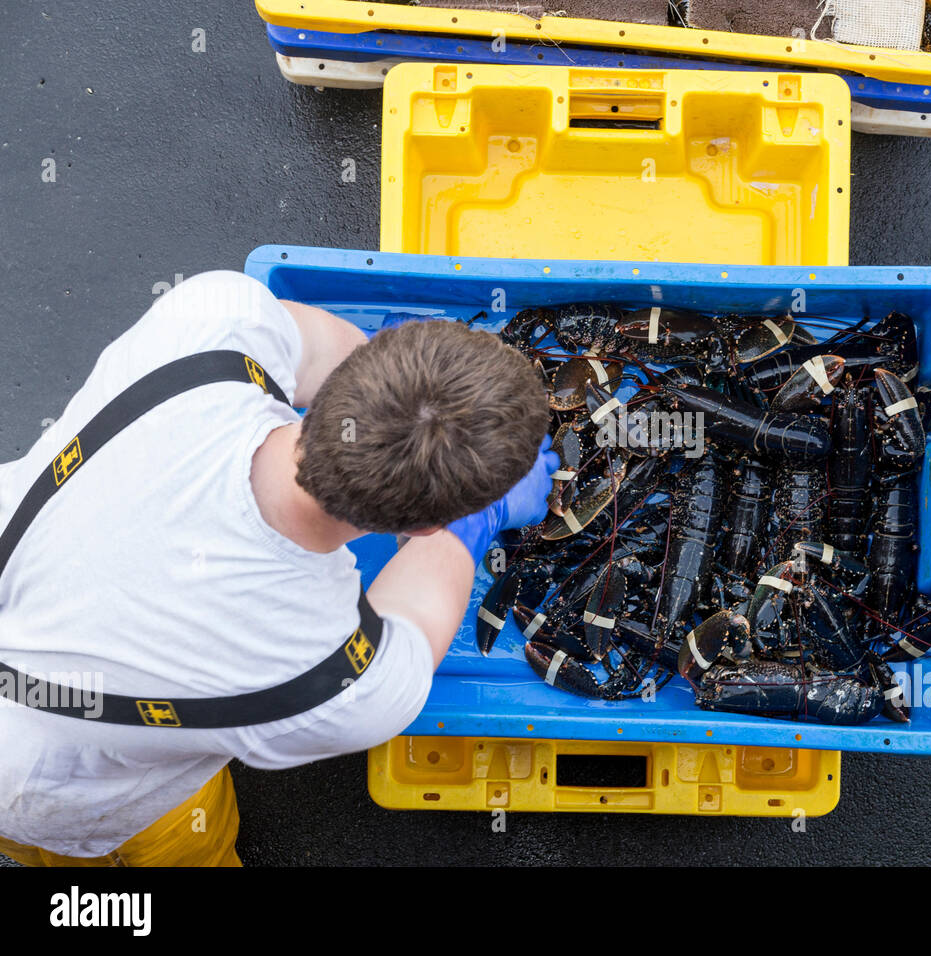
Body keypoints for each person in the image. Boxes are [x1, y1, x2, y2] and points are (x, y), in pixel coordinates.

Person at [0, 271, 557, 865]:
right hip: (46, 792)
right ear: (421, 528)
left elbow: (321, 347)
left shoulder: (212, 321)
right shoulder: (333, 682)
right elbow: (418, 615)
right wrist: (475, 522)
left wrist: (417, 398)